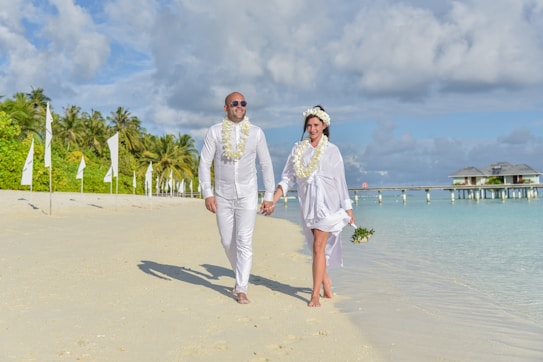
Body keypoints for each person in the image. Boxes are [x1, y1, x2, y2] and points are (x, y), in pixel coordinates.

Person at [265, 105, 354, 307]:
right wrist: (273, 200)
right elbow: (287, 179)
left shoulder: (333, 151)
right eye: (309, 125)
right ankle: (326, 282)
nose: (312, 129)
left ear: (324, 126)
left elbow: (341, 181)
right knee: (316, 248)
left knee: (318, 246)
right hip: (308, 206)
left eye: (316, 125)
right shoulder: (298, 150)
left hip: (329, 205)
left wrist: (348, 209)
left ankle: (315, 295)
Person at [198, 91, 275, 304]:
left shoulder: (257, 133)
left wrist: (269, 195)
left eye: (243, 103)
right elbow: (204, 163)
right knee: (226, 241)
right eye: (234, 103)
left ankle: (241, 287)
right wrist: (208, 193)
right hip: (222, 195)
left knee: (244, 241)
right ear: (226, 108)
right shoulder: (214, 132)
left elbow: (266, 164)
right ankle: (240, 275)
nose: (239, 106)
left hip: (248, 195)